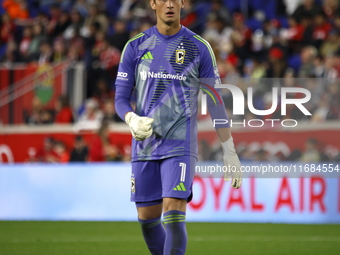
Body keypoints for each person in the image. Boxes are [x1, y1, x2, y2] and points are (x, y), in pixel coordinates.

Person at [114, 1, 242, 254]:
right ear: (153, 3)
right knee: (147, 219)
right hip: (145, 144)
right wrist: (130, 118)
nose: (169, 4)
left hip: (180, 144)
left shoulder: (199, 47)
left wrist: (229, 149)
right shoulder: (135, 46)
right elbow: (120, 98)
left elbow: (215, 101)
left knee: (173, 210)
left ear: (184, 3)